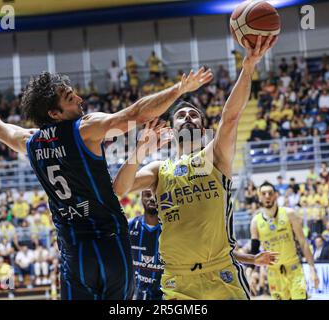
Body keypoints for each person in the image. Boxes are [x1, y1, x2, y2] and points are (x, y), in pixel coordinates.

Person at [0, 65, 212, 300]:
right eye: (70, 98)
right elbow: (137, 113)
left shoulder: (29, 141)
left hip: (74, 252)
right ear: (54, 113)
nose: (80, 99)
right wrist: (180, 88)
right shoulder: (84, 129)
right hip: (110, 244)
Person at [113, 35, 279, 300]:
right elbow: (119, 189)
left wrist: (248, 67)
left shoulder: (215, 155)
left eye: (193, 115)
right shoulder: (159, 169)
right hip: (178, 282)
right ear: (171, 127)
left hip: (221, 274)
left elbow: (231, 116)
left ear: (202, 127)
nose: (188, 117)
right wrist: (141, 148)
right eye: (181, 115)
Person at [250, 182, 320, 300]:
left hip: (294, 269)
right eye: (263, 193)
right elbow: (254, 251)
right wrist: (250, 272)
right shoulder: (255, 222)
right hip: (273, 273)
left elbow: (303, 242)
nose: (267, 196)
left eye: (270, 193)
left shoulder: (289, 214)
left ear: (276, 195)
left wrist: (312, 269)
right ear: (259, 197)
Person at [128, 189, 163, 300]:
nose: (152, 198)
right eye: (147, 194)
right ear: (141, 197)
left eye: (156, 195)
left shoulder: (171, 230)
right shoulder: (128, 226)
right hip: (136, 296)